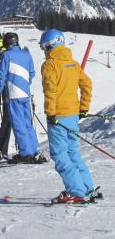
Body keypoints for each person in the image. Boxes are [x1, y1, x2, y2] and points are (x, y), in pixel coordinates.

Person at [39, 29, 101, 203]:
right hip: (72, 115)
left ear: (50, 45)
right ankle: (87, 187)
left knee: (60, 154)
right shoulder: (72, 63)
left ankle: (76, 191)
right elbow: (86, 83)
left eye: (44, 47)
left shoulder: (50, 65)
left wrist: (51, 112)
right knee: (72, 151)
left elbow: (50, 90)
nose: (44, 51)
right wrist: (83, 108)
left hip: (58, 116)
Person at [0, 33, 43, 164]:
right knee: (27, 122)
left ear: (6, 43)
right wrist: (25, 84)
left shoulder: (7, 55)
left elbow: (2, 75)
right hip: (25, 94)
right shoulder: (27, 55)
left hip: (13, 94)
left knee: (18, 123)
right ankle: (34, 149)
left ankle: (25, 153)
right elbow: (32, 73)